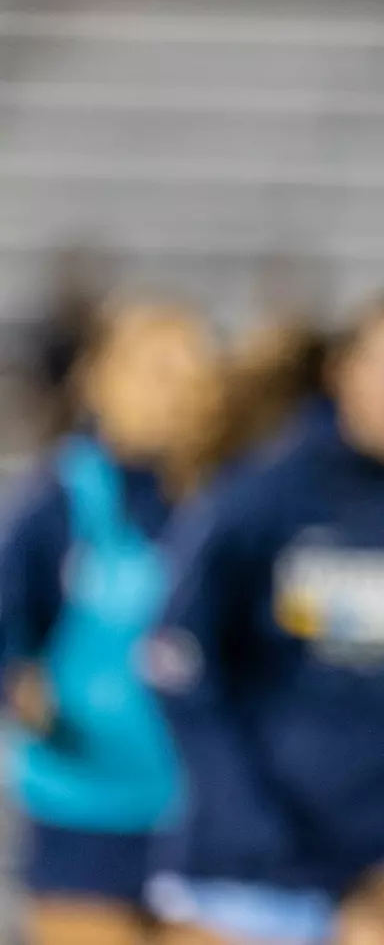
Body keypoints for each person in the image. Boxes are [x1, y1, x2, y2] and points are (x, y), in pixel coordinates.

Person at [147, 290, 384, 945]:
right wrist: (235, 810)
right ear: (345, 372)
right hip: (258, 856)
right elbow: (174, 657)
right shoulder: (261, 495)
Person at [0, 298, 222, 945]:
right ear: (102, 379)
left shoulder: (226, 500)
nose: (174, 394)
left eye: (190, 376)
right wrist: (22, 690)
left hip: (203, 811)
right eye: (155, 373)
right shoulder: (58, 501)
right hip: (84, 813)